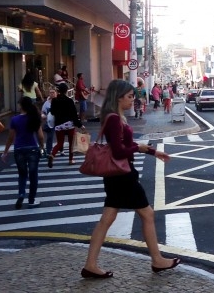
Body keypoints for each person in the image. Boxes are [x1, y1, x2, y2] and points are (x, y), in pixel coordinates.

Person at [81, 79, 178, 279]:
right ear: (118, 97)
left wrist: (152, 151)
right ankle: (157, 260)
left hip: (115, 176)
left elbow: (125, 144)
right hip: (123, 175)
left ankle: (90, 264)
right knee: (147, 214)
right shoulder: (115, 119)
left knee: (107, 219)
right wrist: (140, 148)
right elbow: (118, 151)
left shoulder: (114, 117)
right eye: (130, 96)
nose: (133, 100)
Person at [1, 97, 45, 209]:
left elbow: (10, 138)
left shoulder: (14, 119)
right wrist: (42, 147)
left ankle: (21, 194)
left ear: (21, 106)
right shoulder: (34, 117)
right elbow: (40, 136)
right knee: (33, 175)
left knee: (22, 174)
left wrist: (5, 152)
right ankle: (31, 200)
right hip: (32, 148)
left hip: (19, 148)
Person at [48, 83, 85, 167]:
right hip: (69, 125)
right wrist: (80, 125)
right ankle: (71, 159)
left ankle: (52, 154)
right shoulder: (69, 101)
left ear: (58, 91)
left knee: (59, 143)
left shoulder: (54, 100)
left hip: (59, 125)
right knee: (71, 143)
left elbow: (52, 112)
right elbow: (74, 115)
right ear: (66, 91)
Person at [41, 87, 57, 155]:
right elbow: (42, 112)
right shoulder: (46, 103)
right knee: (50, 137)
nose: (52, 94)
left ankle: (61, 149)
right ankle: (48, 151)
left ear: (56, 93)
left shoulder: (59, 101)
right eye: (50, 92)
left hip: (59, 121)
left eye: (53, 92)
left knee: (60, 136)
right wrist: (43, 115)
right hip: (50, 122)